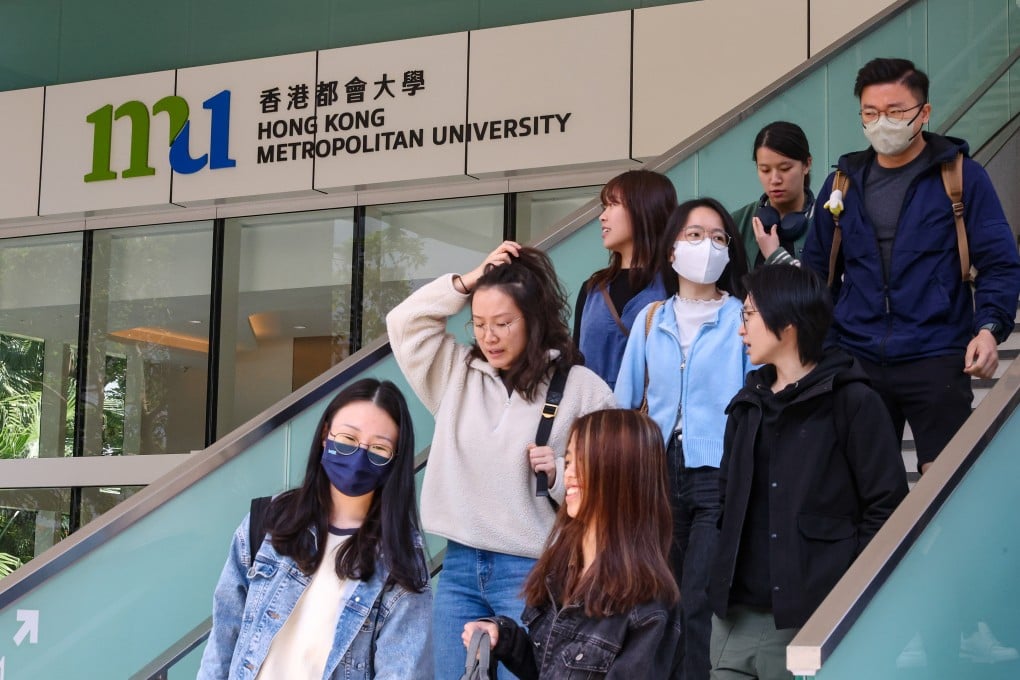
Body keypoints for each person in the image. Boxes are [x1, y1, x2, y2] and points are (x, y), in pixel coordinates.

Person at [386, 243, 616, 680]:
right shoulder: (455, 374)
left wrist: (558, 474)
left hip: (535, 572)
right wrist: (469, 280)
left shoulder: (582, 388)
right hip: (458, 568)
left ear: (534, 319)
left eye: (503, 323)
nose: (489, 337)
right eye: (479, 324)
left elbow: (611, 483)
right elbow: (404, 323)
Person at [802, 57, 1020, 475]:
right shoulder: (841, 184)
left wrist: (989, 330)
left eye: (896, 111)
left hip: (935, 355)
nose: (882, 121)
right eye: (871, 112)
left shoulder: (962, 176)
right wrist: (825, 347)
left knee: (944, 485)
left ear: (924, 113)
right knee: (862, 486)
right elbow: (815, 276)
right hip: (856, 357)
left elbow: (999, 263)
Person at [709, 265, 908, 680]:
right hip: (733, 619)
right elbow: (724, 498)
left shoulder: (853, 401)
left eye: (748, 316)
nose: (741, 330)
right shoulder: (747, 402)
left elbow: (886, 508)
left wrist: (843, 585)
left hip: (810, 618)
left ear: (787, 321)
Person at [198, 378, 433, 680]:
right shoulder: (268, 522)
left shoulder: (401, 559)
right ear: (325, 435)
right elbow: (223, 638)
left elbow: (403, 671)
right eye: (348, 440)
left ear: (395, 460)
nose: (360, 456)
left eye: (379, 448)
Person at [614, 198, 751, 680]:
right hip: (654, 476)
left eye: (718, 237)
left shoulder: (742, 319)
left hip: (717, 473)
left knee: (698, 598)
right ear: (671, 248)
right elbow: (622, 404)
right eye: (694, 235)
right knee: (656, 599)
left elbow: (753, 402)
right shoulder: (651, 319)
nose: (707, 246)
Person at [462, 408, 682, 679]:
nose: (569, 473)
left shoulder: (649, 607)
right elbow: (547, 667)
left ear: (624, 474)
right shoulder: (561, 566)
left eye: (585, 461)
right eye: (568, 460)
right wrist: (503, 637)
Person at [573, 169, 678, 388]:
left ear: (644, 209)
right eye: (604, 207)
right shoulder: (591, 289)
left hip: (654, 419)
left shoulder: (676, 283)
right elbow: (575, 365)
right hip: (594, 418)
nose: (603, 216)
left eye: (613, 205)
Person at [731, 121, 815, 268]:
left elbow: (819, 287)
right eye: (765, 170)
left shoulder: (826, 222)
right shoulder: (739, 221)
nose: (775, 180)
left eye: (785, 168)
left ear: (806, 164)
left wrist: (774, 254)